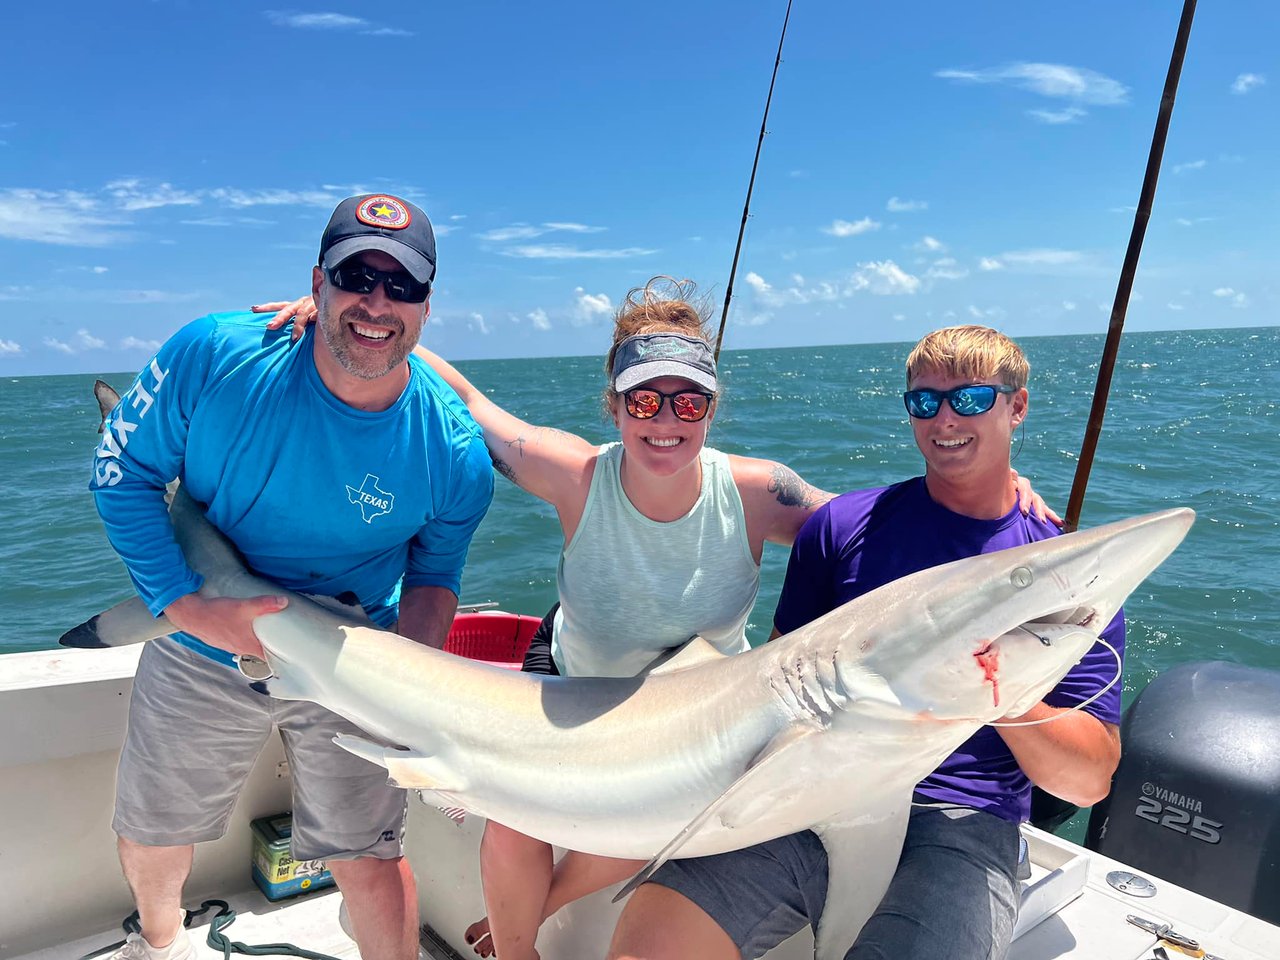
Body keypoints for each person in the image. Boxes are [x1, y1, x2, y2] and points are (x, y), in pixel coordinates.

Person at [259, 287, 1055, 960]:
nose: (664, 419)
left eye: (688, 401)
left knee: (664, 815)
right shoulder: (574, 474)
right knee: (510, 825)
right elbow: (468, 405)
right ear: (614, 404)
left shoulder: (757, 493)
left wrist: (999, 474)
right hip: (575, 681)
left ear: (712, 406)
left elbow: (869, 529)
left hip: (700, 704)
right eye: (642, 399)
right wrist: (349, 323)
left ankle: (529, 917)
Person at [606, 325, 1124, 960]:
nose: (943, 419)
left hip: (960, 818)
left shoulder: (1065, 581)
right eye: (924, 401)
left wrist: (1004, 695)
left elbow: (1090, 779)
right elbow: (772, 684)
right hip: (810, 788)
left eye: (968, 399)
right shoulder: (843, 527)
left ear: (1016, 406)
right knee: (648, 943)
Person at [93, 194, 494, 960]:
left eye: (401, 286)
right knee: (154, 826)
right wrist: (183, 605)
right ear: (317, 282)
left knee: (368, 852)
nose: (377, 304)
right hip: (202, 636)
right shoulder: (216, 355)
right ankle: (158, 942)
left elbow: (435, 579)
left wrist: (407, 694)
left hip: (352, 653)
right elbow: (122, 472)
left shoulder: (452, 451)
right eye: (355, 277)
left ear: (426, 306)